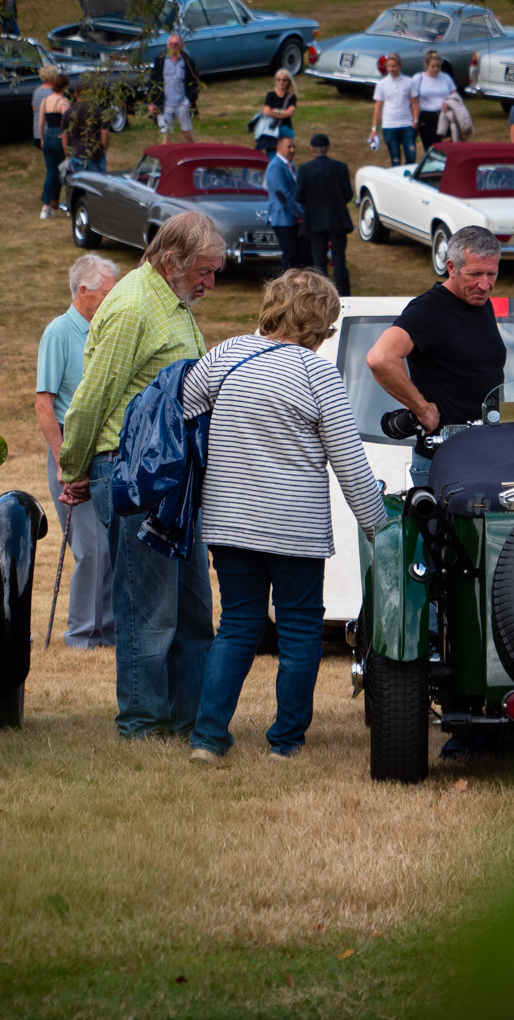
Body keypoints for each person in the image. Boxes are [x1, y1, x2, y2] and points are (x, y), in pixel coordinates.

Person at [186, 270, 384, 763]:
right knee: (298, 631)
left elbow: (187, 417)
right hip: (293, 528)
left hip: (229, 522)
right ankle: (286, 743)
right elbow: (349, 462)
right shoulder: (318, 374)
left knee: (236, 626)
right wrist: (380, 527)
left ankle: (207, 739)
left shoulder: (225, 354)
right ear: (321, 321)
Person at [56, 212, 225, 740]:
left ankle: (188, 718)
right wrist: (76, 468)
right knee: (149, 610)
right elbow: (90, 399)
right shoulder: (132, 306)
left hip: (175, 477)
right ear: (170, 260)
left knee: (194, 610)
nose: (210, 283)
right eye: (204, 270)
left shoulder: (171, 302)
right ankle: (144, 723)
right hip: (136, 476)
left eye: (215, 271)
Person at [367, 226, 506, 488]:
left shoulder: (479, 300)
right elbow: (381, 358)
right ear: (451, 267)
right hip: (444, 462)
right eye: (475, 274)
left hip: (485, 453)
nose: (485, 284)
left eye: (492, 273)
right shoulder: (429, 310)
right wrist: (422, 409)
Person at [36, 254, 120, 650]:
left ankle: (108, 630)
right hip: (71, 447)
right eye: (107, 292)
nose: (112, 298)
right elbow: (44, 402)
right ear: (83, 292)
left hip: (105, 448)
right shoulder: (59, 332)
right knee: (91, 547)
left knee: (110, 542)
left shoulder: (108, 328)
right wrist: (63, 460)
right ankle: (83, 635)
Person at [296, 132, 354, 296]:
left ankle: (321, 293)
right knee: (339, 259)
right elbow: (348, 194)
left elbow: (299, 196)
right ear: (328, 148)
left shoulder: (305, 169)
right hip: (337, 219)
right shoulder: (340, 167)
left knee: (319, 259)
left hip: (315, 220)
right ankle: (343, 294)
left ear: (311, 149)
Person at [266, 135, 308, 271]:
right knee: (289, 254)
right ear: (279, 148)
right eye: (289, 147)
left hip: (291, 218)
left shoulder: (290, 165)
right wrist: (299, 213)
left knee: (295, 254)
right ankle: (282, 286)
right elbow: (282, 194)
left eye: (293, 147)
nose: (292, 150)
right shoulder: (275, 166)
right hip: (282, 218)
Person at [148, 35, 200, 144]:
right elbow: (153, 82)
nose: (173, 46)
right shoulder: (160, 60)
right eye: (171, 44)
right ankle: (165, 159)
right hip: (165, 104)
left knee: (187, 133)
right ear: (167, 45)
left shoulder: (187, 61)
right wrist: (152, 102)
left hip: (182, 103)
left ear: (180, 46)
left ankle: (194, 152)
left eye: (175, 44)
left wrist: (190, 100)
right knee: (166, 134)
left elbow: (195, 81)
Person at [370, 52, 417, 166]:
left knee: (411, 157)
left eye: (393, 66)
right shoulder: (382, 84)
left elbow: (414, 103)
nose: (391, 69)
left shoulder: (409, 82)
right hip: (389, 126)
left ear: (400, 65)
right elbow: (378, 107)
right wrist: (374, 128)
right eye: (388, 66)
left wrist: (415, 121)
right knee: (395, 159)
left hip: (407, 125)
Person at [38, 74, 70, 220]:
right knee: (65, 171)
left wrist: (42, 138)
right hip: (59, 138)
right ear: (64, 86)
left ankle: (48, 204)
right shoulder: (63, 102)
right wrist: (67, 146)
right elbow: (66, 126)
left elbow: (41, 123)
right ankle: (67, 205)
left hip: (48, 136)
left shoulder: (45, 101)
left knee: (51, 172)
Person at [411, 51, 457, 153]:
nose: (436, 69)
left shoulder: (446, 78)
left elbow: (455, 96)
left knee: (447, 146)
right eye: (433, 66)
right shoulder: (418, 78)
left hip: (444, 115)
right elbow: (413, 101)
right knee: (431, 148)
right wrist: (414, 119)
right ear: (427, 66)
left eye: (438, 66)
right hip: (427, 117)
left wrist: (450, 104)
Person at [62, 90, 111, 175]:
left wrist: (66, 153)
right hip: (95, 154)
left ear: (75, 94)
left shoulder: (69, 113)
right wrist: (104, 149)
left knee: (79, 186)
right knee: (98, 185)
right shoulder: (98, 111)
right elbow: (105, 133)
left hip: (76, 154)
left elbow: (64, 136)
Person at [256, 69, 297, 157]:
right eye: (278, 79)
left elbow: (290, 112)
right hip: (272, 130)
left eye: (284, 80)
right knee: (272, 156)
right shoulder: (270, 95)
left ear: (288, 82)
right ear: (275, 81)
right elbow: (267, 112)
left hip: (286, 129)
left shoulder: (291, 97)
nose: (281, 82)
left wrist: (276, 110)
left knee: (287, 156)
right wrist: (283, 113)